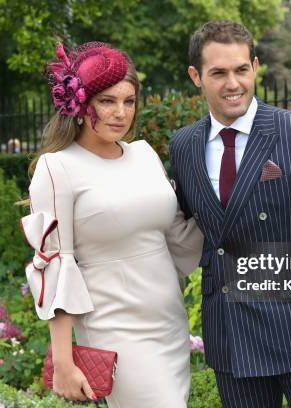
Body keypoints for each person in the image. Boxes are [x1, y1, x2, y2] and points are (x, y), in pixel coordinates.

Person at [170, 21, 291, 407]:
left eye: (241, 69)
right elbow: (186, 228)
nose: (233, 83)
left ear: (255, 66)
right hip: (230, 339)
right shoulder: (184, 145)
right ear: (196, 76)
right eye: (218, 73)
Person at [20, 41, 203, 407]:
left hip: (169, 322)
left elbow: (177, 234)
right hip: (115, 331)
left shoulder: (145, 154)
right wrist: (63, 361)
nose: (121, 113)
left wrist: (235, 199)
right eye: (107, 101)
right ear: (81, 103)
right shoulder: (56, 169)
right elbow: (55, 265)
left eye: (129, 101)